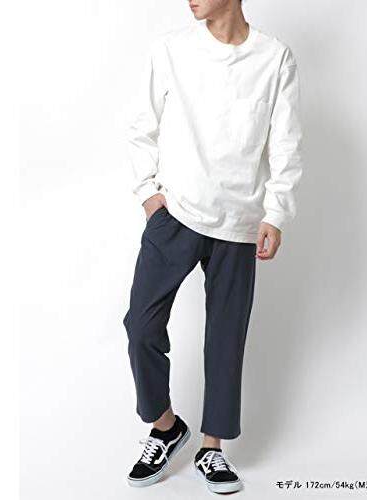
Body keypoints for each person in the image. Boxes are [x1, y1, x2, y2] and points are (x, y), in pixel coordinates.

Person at [123, 0, 303, 493]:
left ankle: (212, 448)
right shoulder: (171, 49)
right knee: (141, 326)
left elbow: (285, 144)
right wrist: (148, 196)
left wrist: (275, 213)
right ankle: (165, 428)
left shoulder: (275, 58)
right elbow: (140, 126)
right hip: (175, 214)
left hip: (240, 224)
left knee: (226, 339)